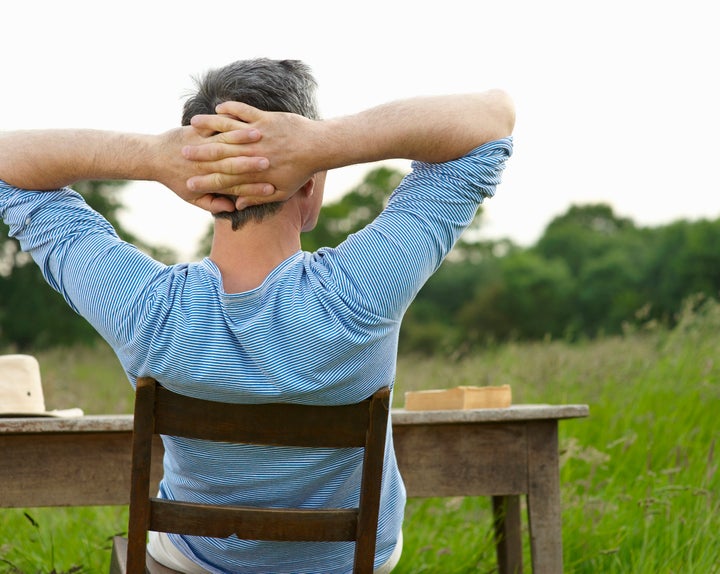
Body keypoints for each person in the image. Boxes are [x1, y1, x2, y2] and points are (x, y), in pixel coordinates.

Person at [0, 58, 514, 573]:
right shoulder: (361, 290)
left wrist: (154, 156)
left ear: (201, 187)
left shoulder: (144, 307)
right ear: (311, 186)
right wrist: (322, 144)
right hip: (352, 562)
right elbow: (492, 118)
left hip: (196, 561)